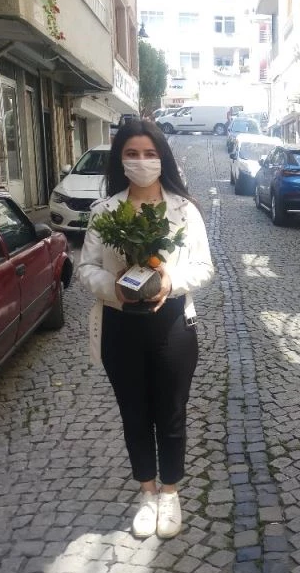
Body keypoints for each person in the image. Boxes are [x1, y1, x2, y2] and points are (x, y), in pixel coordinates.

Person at [78, 119, 214, 539]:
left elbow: (204, 267)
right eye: (132, 154)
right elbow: (86, 268)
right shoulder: (105, 212)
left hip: (172, 324)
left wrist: (172, 282)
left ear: (162, 158)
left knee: (171, 413)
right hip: (120, 325)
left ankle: (170, 493)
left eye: (150, 153)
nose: (141, 161)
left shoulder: (184, 210)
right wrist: (115, 288)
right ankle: (147, 492)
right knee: (133, 413)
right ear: (120, 160)